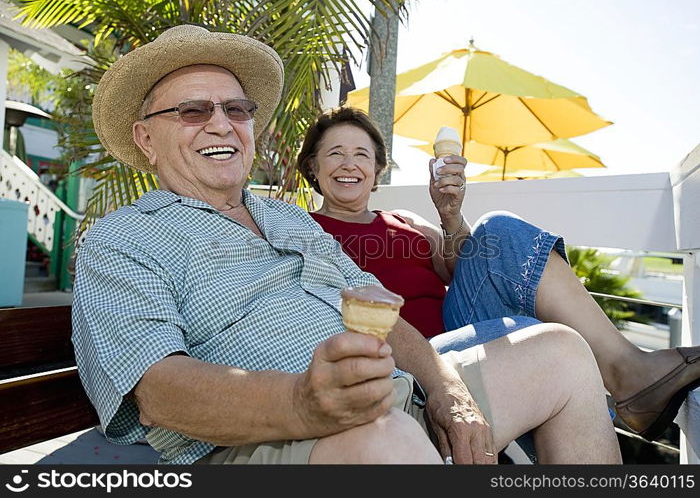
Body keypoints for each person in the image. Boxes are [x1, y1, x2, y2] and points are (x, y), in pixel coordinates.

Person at [71, 24, 621, 465]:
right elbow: (158, 391)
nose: (222, 125)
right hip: (268, 439)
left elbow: (381, 310)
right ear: (146, 139)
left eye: (236, 110)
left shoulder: (290, 220)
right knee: (385, 440)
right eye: (193, 111)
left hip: (397, 395)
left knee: (562, 353)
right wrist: (302, 404)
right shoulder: (123, 240)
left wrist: (448, 391)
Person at [296, 106, 700, 444]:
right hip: (405, 362)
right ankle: (623, 382)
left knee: (498, 228)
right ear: (313, 166)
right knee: (535, 337)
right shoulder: (299, 229)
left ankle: (626, 369)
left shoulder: (406, 221)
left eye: (362, 155)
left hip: (459, 330)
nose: (349, 164)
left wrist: (450, 214)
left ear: (377, 169)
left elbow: (464, 269)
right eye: (335, 154)